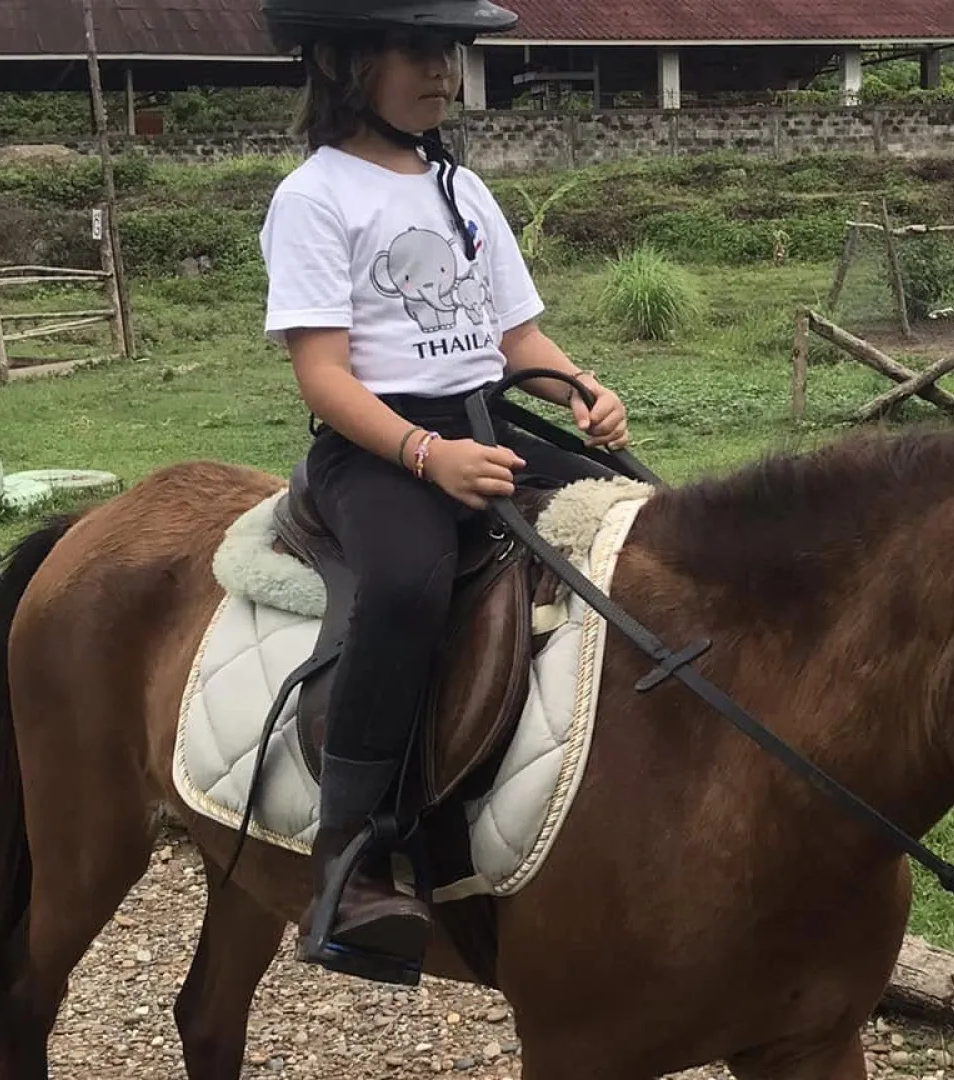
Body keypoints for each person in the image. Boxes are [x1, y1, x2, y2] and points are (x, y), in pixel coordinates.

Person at [258, 0, 632, 983]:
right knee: (407, 583)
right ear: (341, 62)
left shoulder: (459, 186)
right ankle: (350, 859)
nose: (443, 71)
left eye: (449, 52)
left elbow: (515, 338)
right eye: (417, 51)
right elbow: (323, 376)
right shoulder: (314, 196)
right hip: (377, 447)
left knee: (642, 530)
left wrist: (579, 389)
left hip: (486, 423)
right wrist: (429, 458)